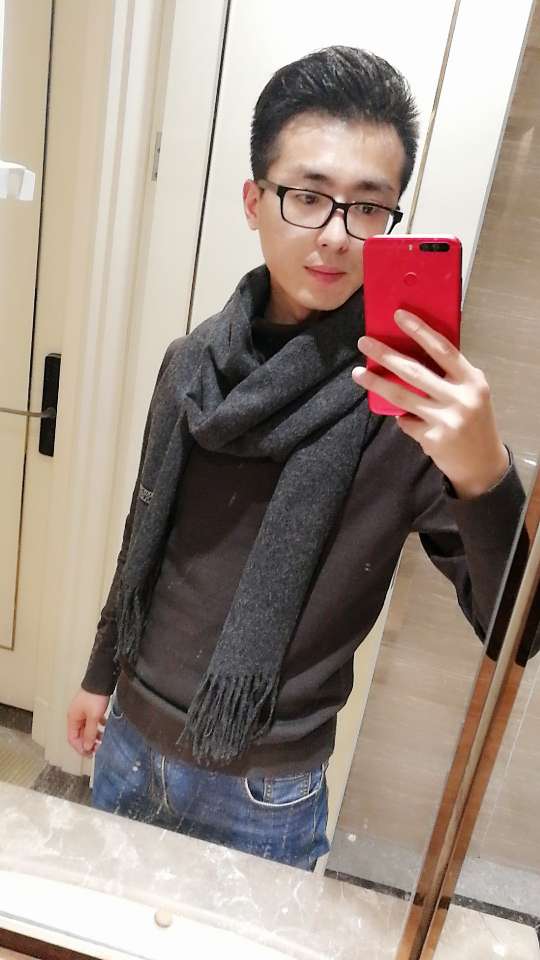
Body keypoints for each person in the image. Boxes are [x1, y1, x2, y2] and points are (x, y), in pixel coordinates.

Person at [67, 46, 527, 873]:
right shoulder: (191, 364)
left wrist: (484, 471)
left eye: (367, 207)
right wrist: (99, 676)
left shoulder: (408, 408)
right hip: (129, 738)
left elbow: (517, 633)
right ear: (255, 201)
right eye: (307, 197)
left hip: (264, 794)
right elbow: (144, 535)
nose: (336, 236)